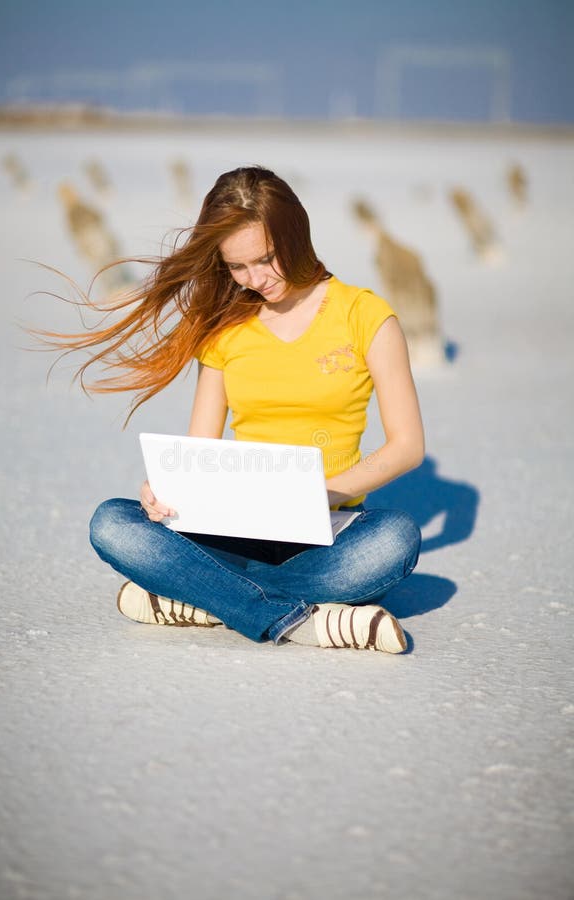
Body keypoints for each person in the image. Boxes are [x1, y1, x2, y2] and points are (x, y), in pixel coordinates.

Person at [44, 166, 424, 652]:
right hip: (233, 525)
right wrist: (166, 493)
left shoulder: (366, 316)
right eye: (238, 267)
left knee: (395, 540)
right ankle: (301, 619)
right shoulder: (225, 329)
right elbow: (200, 449)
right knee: (112, 524)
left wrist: (318, 495)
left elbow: (408, 447)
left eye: (267, 258)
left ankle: (203, 599)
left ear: (296, 233)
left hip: (330, 527)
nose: (256, 279)